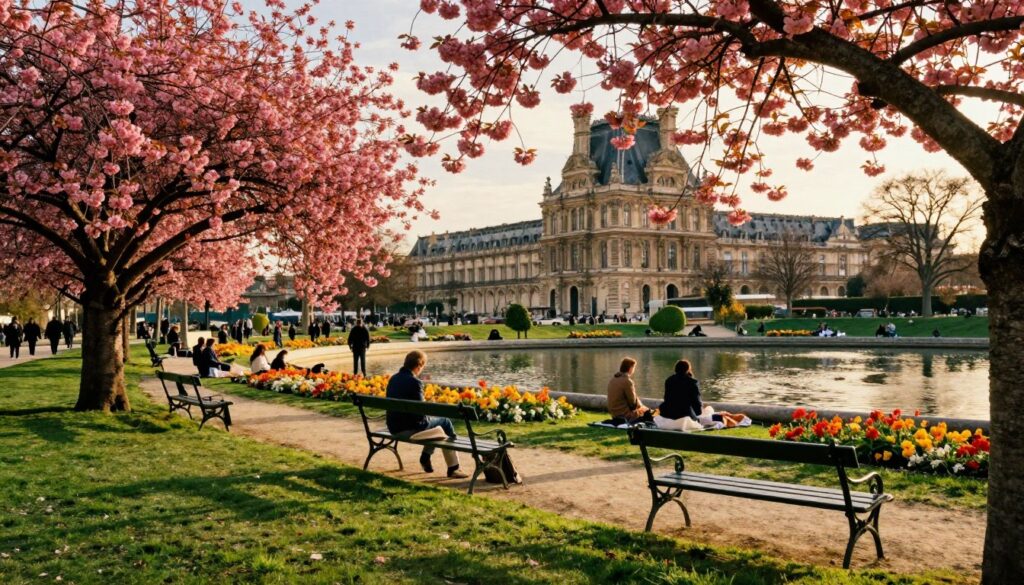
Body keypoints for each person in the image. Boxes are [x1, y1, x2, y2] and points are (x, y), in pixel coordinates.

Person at [386, 350, 468, 478]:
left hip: (394, 428)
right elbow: (421, 417)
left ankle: (427, 456)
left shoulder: (393, 379)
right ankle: (452, 467)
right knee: (445, 423)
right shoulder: (415, 382)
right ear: (419, 366)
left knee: (438, 430)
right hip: (410, 429)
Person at [655, 359, 751, 430]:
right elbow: (697, 407)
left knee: (709, 412)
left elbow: (667, 398)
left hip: (668, 413)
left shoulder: (669, 380)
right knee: (714, 415)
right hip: (685, 415)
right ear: (688, 369)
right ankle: (726, 416)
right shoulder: (691, 382)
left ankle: (723, 415)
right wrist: (699, 412)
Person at [606, 357, 651, 423]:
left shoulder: (613, 380)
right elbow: (633, 404)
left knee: (644, 409)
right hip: (625, 415)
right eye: (634, 367)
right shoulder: (627, 381)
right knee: (649, 412)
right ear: (630, 368)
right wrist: (642, 406)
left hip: (614, 414)